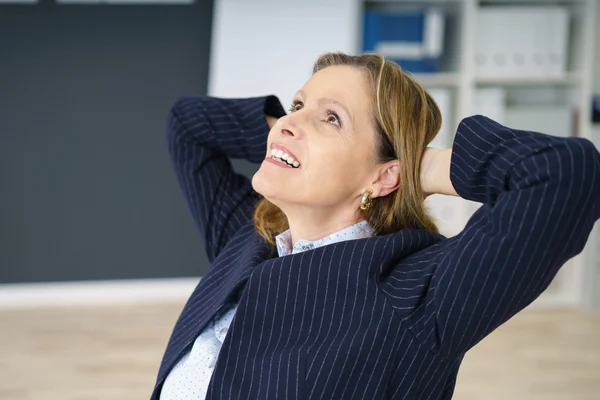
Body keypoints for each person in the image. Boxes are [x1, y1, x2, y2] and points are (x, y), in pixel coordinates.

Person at [152, 52, 600, 400]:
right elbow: (188, 123)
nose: (290, 120)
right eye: (297, 104)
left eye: (332, 118)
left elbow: (566, 174)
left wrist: (419, 167)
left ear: (384, 175)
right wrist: (286, 134)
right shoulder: (247, 237)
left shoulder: (417, 294)